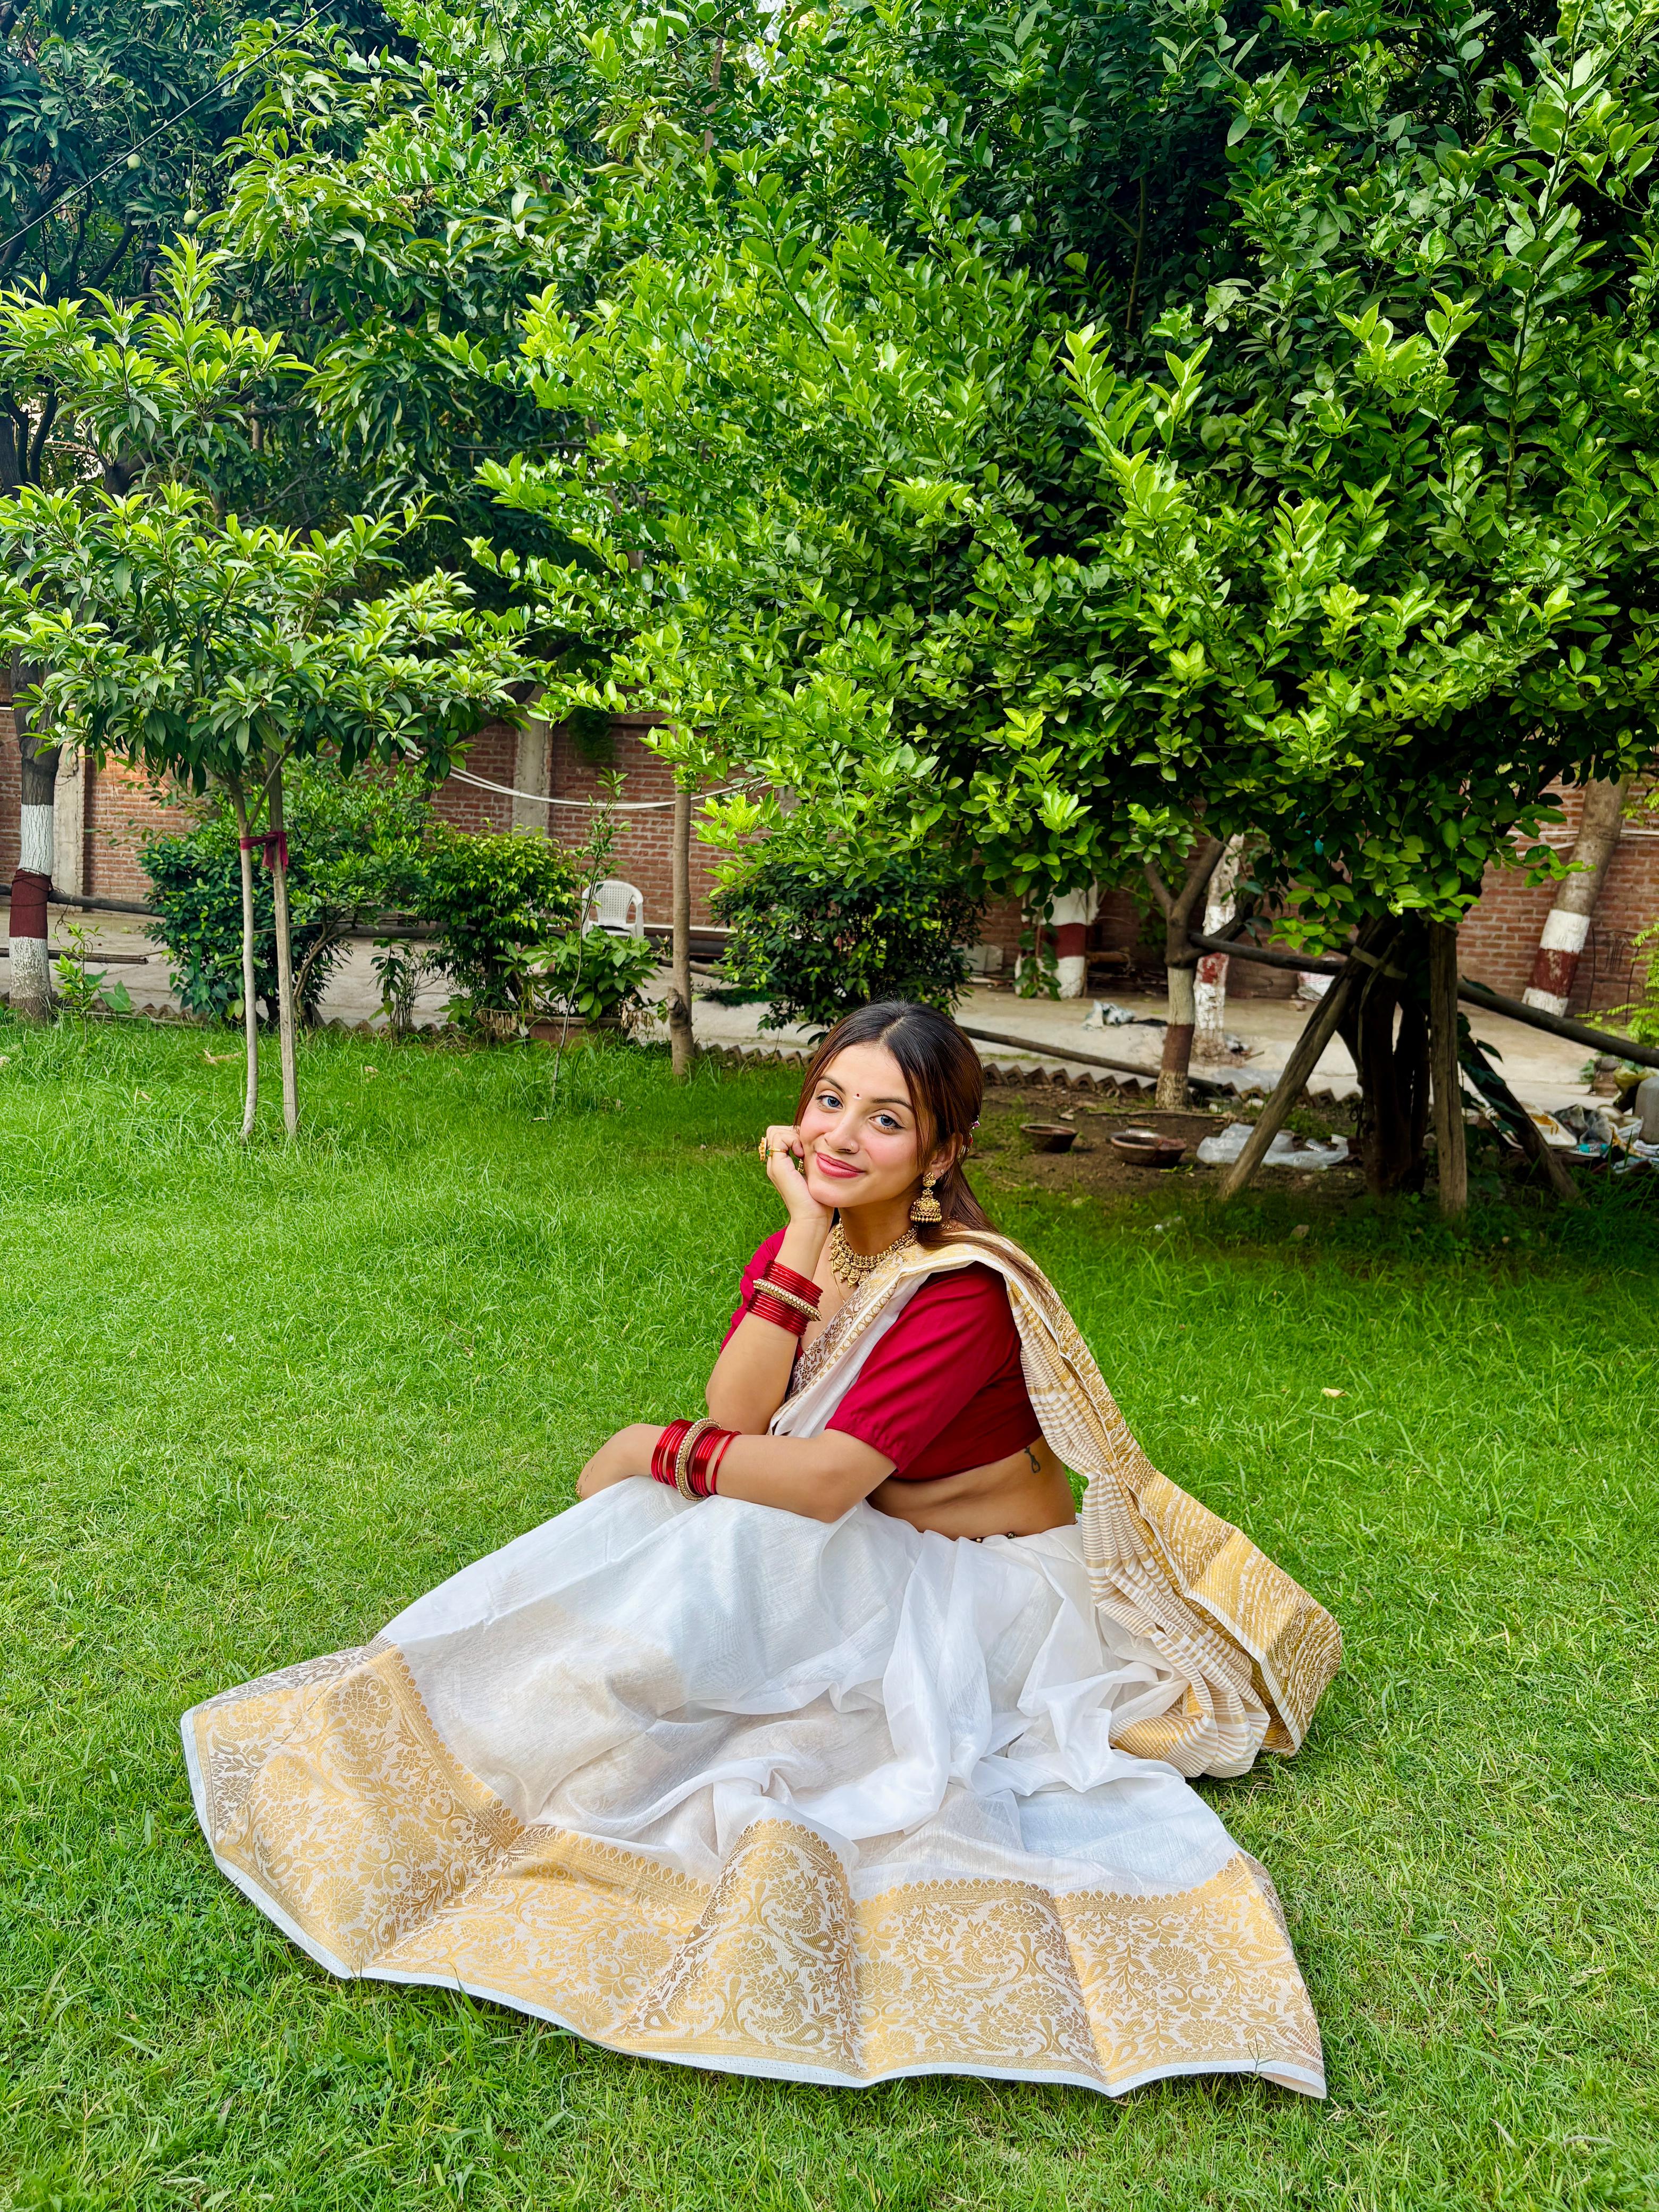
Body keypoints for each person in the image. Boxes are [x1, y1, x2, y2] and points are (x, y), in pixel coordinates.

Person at [183, 1002, 1341, 2098]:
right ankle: (475, 1742)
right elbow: (739, 1418)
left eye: (885, 1120)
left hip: (989, 1592)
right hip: (868, 1539)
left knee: (724, 1523)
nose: (841, 1135)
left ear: (941, 1154)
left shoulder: (962, 1291)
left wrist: (649, 1447)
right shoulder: (818, 1247)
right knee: (673, 1518)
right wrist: (799, 1234)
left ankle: (555, 1734)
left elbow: (827, 1479)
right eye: (829, 1101)